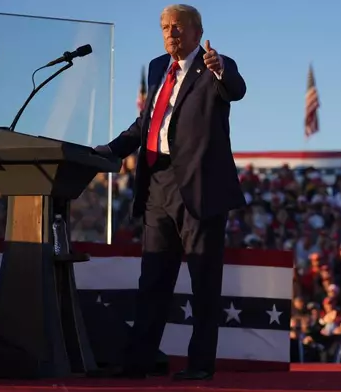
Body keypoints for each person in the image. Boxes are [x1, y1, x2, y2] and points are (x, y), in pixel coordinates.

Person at [94, 3, 246, 380]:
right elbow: (148, 121)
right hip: (157, 185)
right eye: (164, 27)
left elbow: (237, 90)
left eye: (177, 27)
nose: (170, 34)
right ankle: (138, 363)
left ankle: (199, 366)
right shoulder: (157, 68)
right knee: (153, 281)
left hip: (199, 188)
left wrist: (220, 70)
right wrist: (111, 150)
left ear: (197, 32)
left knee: (203, 282)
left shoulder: (215, 64)